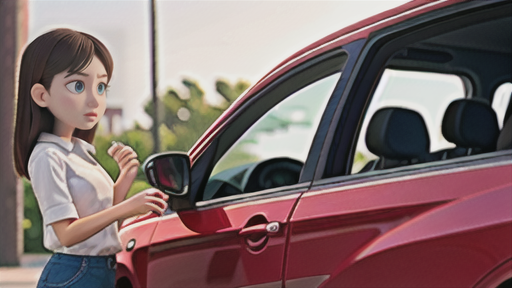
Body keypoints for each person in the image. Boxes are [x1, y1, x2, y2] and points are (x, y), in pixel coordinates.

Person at [13, 28, 168, 287]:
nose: (94, 99)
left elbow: (103, 219)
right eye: (77, 85)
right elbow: (67, 233)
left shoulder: (79, 151)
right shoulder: (47, 156)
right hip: (74, 272)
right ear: (42, 95)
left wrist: (124, 180)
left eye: (100, 86)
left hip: (101, 269)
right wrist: (129, 206)